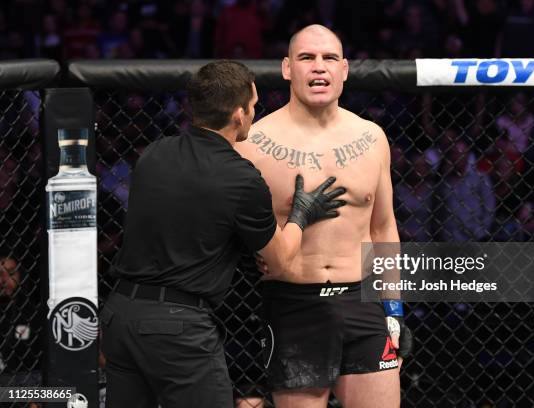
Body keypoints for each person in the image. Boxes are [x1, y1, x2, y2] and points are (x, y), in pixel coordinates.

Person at [100, 60, 348, 408]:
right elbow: (278, 260)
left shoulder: (154, 154)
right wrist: (301, 215)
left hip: (120, 314)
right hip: (177, 328)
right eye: (253, 107)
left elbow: (185, 216)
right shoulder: (240, 179)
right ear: (238, 114)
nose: (254, 114)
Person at [236, 25, 410, 408]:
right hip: (293, 302)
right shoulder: (253, 144)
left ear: (344, 69)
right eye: (306, 58)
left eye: (329, 58)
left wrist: (394, 308)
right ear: (286, 68)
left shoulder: (372, 138)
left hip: (363, 300)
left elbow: (383, 227)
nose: (319, 68)